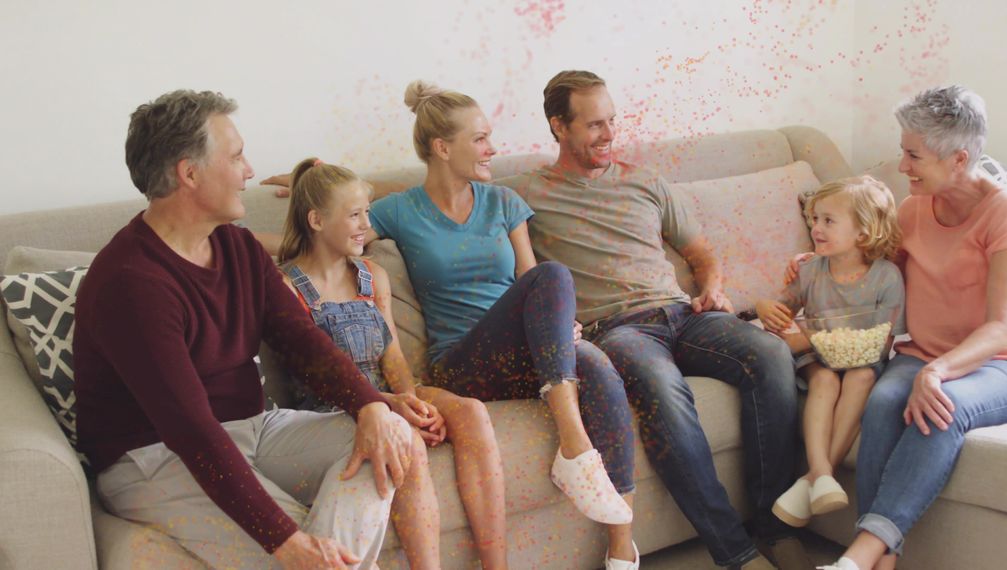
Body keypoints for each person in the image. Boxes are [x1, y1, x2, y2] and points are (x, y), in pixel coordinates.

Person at [262, 81, 640, 569]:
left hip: (523, 350)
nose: (493, 148)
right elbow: (334, 230)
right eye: (480, 138)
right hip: (462, 362)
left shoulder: (503, 202)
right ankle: (573, 445)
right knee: (556, 279)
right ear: (443, 148)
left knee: (595, 362)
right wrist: (300, 193)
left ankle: (620, 546)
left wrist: (558, 330)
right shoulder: (402, 209)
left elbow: (532, 283)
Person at [75, 90, 419, 570]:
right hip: (152, 457)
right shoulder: (131, 283)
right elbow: (190, 430)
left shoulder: (238, 248)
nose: (251, 171)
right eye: (236, 157)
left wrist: (369, 405)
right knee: (292, 552)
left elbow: (302, 341)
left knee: (388, 435)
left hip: (253, 426)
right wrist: (287, 541)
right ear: (188, 173)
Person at [499, 70, 809, 570]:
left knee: (771, 353)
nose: (609, 134)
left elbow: (700, 251)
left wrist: (712, 285)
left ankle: (774, 528)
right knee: (663, 389)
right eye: (594, 125)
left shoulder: (646, 182)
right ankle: (737, 552)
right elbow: (460, 197)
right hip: (616, 330)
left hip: (685, 314)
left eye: (612, 121)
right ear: (558, 126)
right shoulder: (524, 195)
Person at [814, 86, 1007, 570]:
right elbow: (876, 274)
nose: (902, 166)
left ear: (959, 158)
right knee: (883, 403)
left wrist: (937, 372)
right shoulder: (912, 208)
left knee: (941, 407)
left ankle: (856, 558)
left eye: (913, 155)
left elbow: (1003, 327)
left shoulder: (1004, 211)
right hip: (924, 351)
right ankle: (879, 561)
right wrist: (821, 264)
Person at [277, 157, 509, 569]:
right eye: (354, 215)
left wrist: (411, 401)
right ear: (315, 220)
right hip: (335, 406)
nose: (366, 224)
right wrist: (394, 409)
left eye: (367, 212)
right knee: (403, 436)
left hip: (388, 395)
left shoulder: (372, 275)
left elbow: (394, 356)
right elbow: (315, 379)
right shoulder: (287, 288)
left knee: (469, 412)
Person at [756, 176, 905, 529]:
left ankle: (811, 480)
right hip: (818, 359)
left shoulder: (886, 277)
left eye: (828, 221)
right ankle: (822, 472)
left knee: (862, 376)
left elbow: (882, 343)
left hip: (863, 360)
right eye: (815, 220)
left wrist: (821, 335)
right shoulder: (809, 271)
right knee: (823, 380)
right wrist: (764, 307)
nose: (816, 229)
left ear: (863, 234)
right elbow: (782, 314)